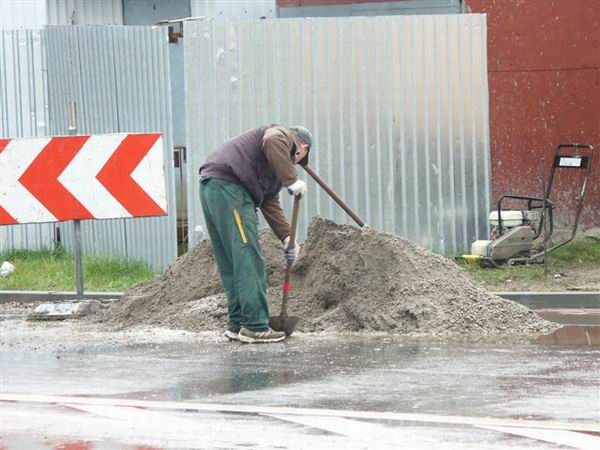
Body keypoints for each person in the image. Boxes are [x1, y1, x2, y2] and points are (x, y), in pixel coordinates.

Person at [199, 125, 313, 343]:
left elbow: (269, 200)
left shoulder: (270, 166)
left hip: (212, 186)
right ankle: (255, 326)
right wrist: (291, 179)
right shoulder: (280, 135)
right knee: (248, 257)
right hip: (230, 189)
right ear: (302, 148)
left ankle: (237, 323)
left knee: (231, 261)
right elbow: (272, 138)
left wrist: (287, 237)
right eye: (300, 159)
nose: (295, 164)